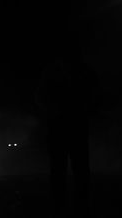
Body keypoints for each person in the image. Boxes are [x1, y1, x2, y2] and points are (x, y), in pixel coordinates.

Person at [35, 48, 97, 218]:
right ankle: (62, 205)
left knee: (78, 169)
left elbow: (93, 95)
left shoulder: (79, 72)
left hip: (73, 126)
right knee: (61, 169)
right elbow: (40, 97)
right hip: (61, 127)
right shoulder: (55, 73)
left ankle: (78, 205)